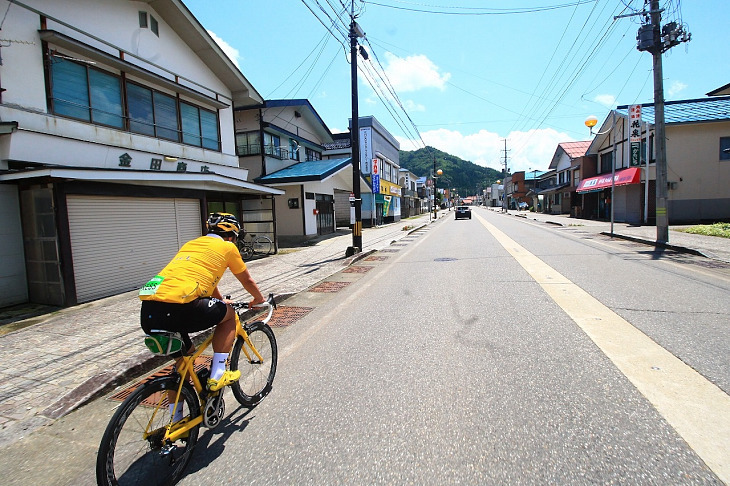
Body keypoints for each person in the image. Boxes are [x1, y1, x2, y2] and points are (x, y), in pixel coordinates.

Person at [139, 212, 265, 392]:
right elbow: (247, 281)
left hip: (150, 310)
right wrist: (259, 299)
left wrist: (220, 301)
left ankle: (178, 416)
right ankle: (219, 373)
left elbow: (206, 281)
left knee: (184, 365)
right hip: (181, 308)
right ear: (230, 236)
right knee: (229, 316)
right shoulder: (227, 247)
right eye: (235, 238)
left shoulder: (191, 244)